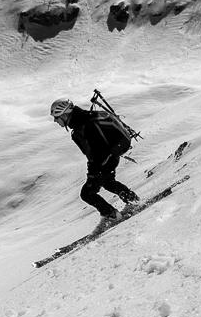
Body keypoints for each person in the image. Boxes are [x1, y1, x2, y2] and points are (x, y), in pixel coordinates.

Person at [50, 98, 140, 232]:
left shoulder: (84, 126)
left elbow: (96, 152)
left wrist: (93, 173)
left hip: (107, 155)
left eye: (56, 117)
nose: (55, 121)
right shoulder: (83, 122)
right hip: (112, 152)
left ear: (64, 114)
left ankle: (111, 215)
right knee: (108, 182)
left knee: (87, 193)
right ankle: (133, 201)